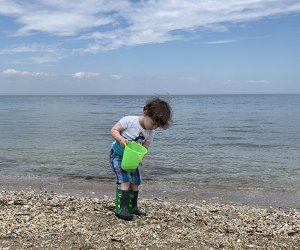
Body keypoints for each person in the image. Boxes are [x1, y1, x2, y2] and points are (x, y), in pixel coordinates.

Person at [109, 97, 172, 220]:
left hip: (133, 159)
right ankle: (121, 208)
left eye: (157, 126)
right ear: (146, 113)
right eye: (153, 123)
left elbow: (146, 147)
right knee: (125, 179)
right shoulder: (129, 121)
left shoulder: (150, 132)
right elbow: (114, 130)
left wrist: (141, 156)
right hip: (118, 154)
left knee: (136, 181)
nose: (153, 128)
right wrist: (121, 139)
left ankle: (133, 206)